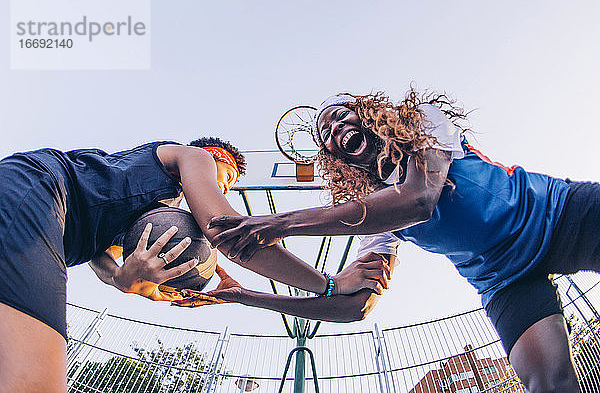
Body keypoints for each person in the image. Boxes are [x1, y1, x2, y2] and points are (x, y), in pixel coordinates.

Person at [207, 90, 598, 392]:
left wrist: (283, 223)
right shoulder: (374, 216)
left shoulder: (422, 122)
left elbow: (420, 199)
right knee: (549, 384)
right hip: (504, 280)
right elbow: (355, 308)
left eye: (342, 115)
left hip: (557, 214)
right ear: (333, 157)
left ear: (370, 115)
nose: (336, 128)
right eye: (325, 133)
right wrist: (247, 296)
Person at [0, 137, 390, 392]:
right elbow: (228, 235)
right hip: (38, 188)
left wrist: (124, 280)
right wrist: (328, 285)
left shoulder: (148, 210)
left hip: (53, 227)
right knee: (37, 380)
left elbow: (100, 258)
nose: (223, 189)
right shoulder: (192, 156)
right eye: (228, 179)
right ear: (216, 159)